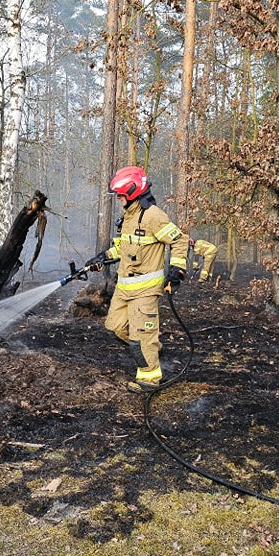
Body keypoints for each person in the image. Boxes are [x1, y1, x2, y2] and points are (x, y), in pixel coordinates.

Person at [85, 166, 190, 392]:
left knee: (140, 338)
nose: (118, 199)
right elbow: (125, 247)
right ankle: (153, 347)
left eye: (121, 195)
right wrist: (104, 257)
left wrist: (177, 269)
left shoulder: (153, 216)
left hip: (145, 290)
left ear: (132, 193)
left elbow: (180, 241)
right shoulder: (129, 217)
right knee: (114, 327)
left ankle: (149, 380)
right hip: (124, 288)